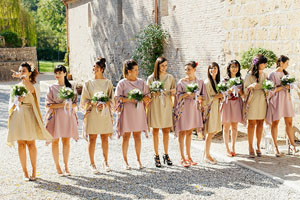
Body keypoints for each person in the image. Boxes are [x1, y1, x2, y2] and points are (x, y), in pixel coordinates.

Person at [8, 62, 52, 181]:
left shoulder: (35, 85)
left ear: (29, 73)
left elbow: (32, 91)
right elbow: (11, 103)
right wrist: (17, 100)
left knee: (31, 144)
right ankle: (25, 172)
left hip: (29, 115)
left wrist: (23, 79)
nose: (22, 73)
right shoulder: (16, 86)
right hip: (18, 115)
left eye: (24, 71)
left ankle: (33, 171)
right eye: (20, 71)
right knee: (21, 144)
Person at [115, 59, 151, 170]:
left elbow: (148, 96)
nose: (137, 72)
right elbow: (117, 98)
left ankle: (138, 160)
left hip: (138, 113)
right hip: (126, 113)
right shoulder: (122, 83)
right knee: (126, 137)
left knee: (137, 136)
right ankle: (125, 161)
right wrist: (130, 99)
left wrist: (142, 98)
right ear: (129, 71)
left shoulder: (141, 82)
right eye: (135, 70)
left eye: (137, 69)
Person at [80, 58, 114, 173]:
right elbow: (84, 100)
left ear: (102, 69)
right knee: (92, 138)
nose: (95, 69)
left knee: (104, 138)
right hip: (92, 113)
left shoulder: (108, 83)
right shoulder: (88, 83)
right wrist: (93, 103)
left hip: (104, 114)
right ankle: (92, 163)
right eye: (94, 67)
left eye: (97, 67)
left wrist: (104, 103)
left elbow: (111, 99)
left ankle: (105, 161)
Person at [45, 65, 79, 176]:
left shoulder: (71, 87)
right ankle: (57, 166)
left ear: (65, 73)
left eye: (60, 72)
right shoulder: (51, 88)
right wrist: (61, 105)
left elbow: (75, 103)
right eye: (56, 73)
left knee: (66, 141)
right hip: (56, 117)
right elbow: (48, 104)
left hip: (68, 117)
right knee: (55, 141)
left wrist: (68, 105)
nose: (58, 75)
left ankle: (66, 166)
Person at [174, 61, 206, 167]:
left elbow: (203, 97)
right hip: (184, 109)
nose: (187, 71)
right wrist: (187, 94)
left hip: (194, 109)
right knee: (182, 133)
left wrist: (198, 96)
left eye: (189, 69)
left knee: (189, 133)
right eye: (185, 69)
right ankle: (182, 157)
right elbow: (177, 96)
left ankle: (189, 156)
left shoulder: (200, 82)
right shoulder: (181, 82)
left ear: (194, 70)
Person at [147, 57, 176, 167]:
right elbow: (147, 93)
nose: (164, 68)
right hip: (155, 105)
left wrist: (173, 91)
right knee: (155, 130)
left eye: (166, 65)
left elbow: (174, 91)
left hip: (166, 105)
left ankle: (166, 153)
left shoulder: (170, 77)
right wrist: (154, 93)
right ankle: (156, 154)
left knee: (166, 131)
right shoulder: (151, 78)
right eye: (162, 65)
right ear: (157, 65)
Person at [266, 55, 297, 156]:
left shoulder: (286, 74)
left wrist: (289, 86)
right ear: (281, 62)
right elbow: (270, 90)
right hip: (277, 100)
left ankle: (292, 145)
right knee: (275, 123)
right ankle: (275, 147)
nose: (287, 65)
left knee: (289, 122)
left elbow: (288, 87)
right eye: (287, 63)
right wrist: (282, 86)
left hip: (286, 99)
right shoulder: (272, 74)